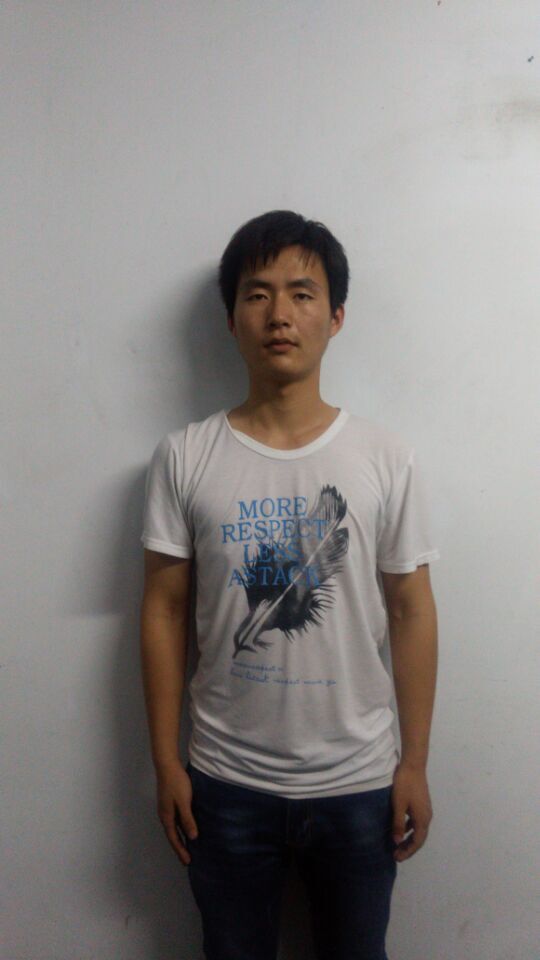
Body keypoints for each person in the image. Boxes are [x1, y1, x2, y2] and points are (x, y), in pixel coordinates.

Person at [139, 210, 440, 960]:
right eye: (257, 294)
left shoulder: (384, 457)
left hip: (360, 783)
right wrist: (168, 763)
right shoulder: (185, 456)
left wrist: (413, 763)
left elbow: (411, 609)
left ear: (336, 317)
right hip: (224, 783)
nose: (280, 314)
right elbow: (164, 611)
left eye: (303, 294)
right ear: (232, 318)